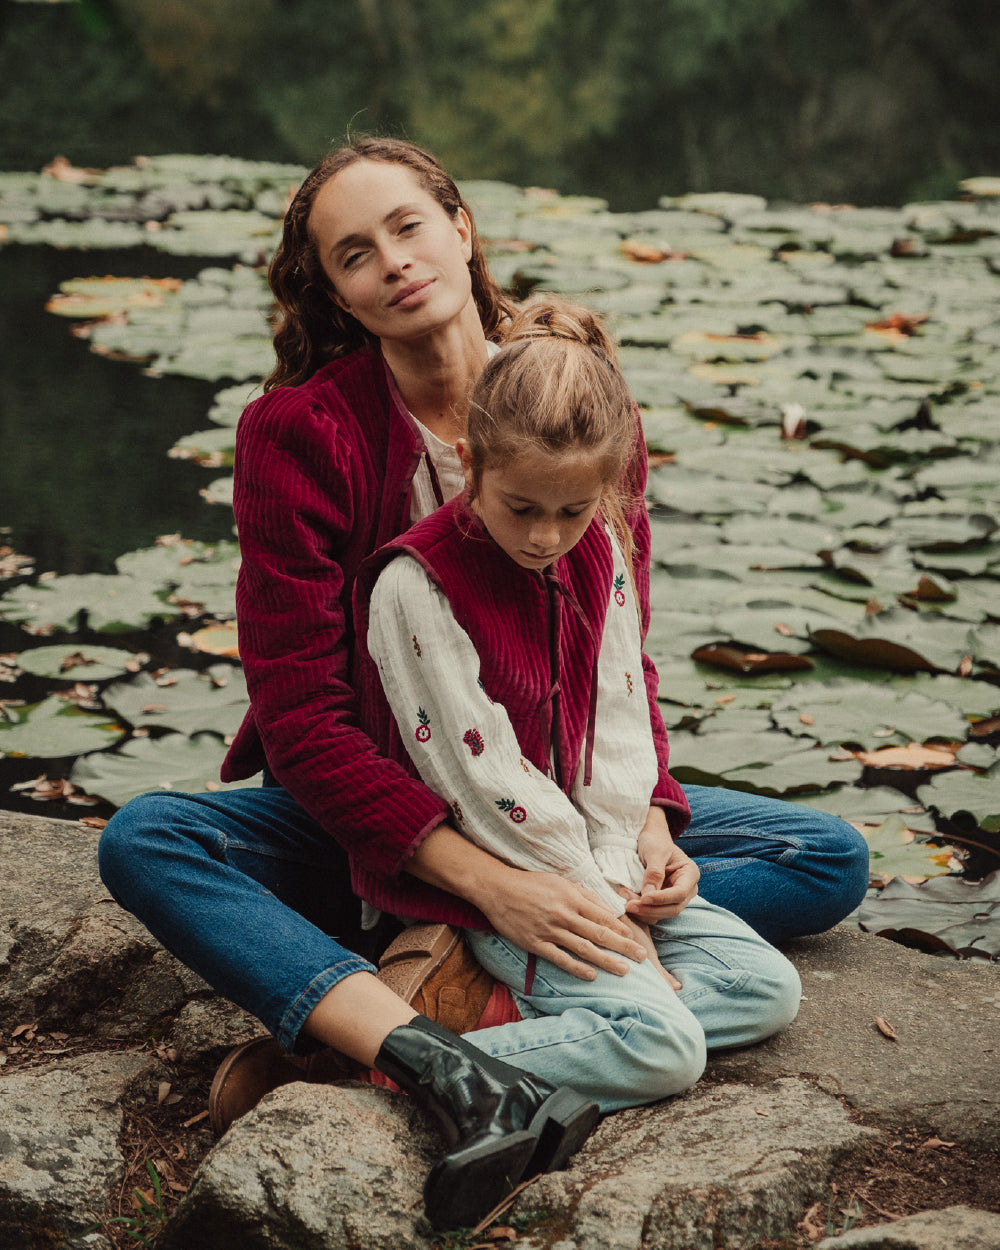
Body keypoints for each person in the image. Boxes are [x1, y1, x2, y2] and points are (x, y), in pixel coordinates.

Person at [97, 136, 868, 1216]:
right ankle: (429, 1037)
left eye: (408, 225)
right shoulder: (299, 434)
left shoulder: (575, 396)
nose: (394, 262)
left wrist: (649, 817)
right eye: (354, 252)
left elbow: (618, 645)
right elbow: (304, 718)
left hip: (559, 802)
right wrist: (487, 880)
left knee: (822, 853)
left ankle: (430, 999)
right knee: (148, 839)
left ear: (460, 226)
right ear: (334, 289)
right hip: (374, 817)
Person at [354, 296, 802, 1110]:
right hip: (510, 881)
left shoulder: (599, 547)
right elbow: (482, 784)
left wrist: (649, 837)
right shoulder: (415, 587)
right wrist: (609, 918)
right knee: (669, 1050)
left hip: (604, 865)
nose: (544, 537)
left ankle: (514, 1020)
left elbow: (623, 716)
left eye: (573, 510)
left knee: (768, 988)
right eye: (520, 508)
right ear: (468, 464)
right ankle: (403, 1062)